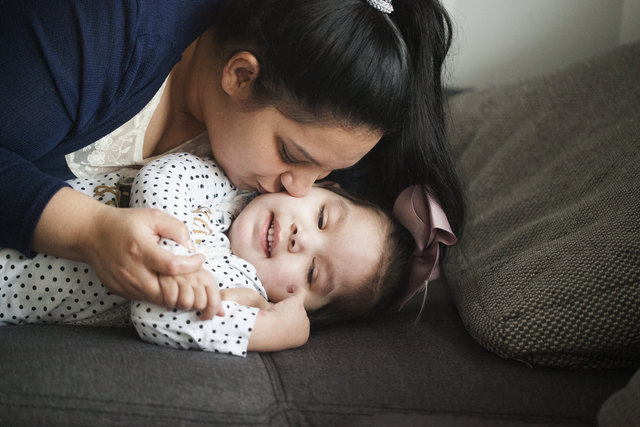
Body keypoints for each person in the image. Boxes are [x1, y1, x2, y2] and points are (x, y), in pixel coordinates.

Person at [0, 0, 464, 317]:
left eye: (326, 174)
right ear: (240, 76)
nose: (298, 188)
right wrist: (88, 231)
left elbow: (372, 254)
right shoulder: (107, 26)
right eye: (291, 155)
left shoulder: (302, 167)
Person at [0, 153, 422, 356]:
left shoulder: (237, 285)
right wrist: (176, 263)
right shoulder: (227, 186)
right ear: (320, 187)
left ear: (293, 303)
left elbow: (156, 316)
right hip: (23, 205)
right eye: (323, 217)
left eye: (313, 272)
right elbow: (162, 173)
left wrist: (270, 330)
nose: (301, 239)